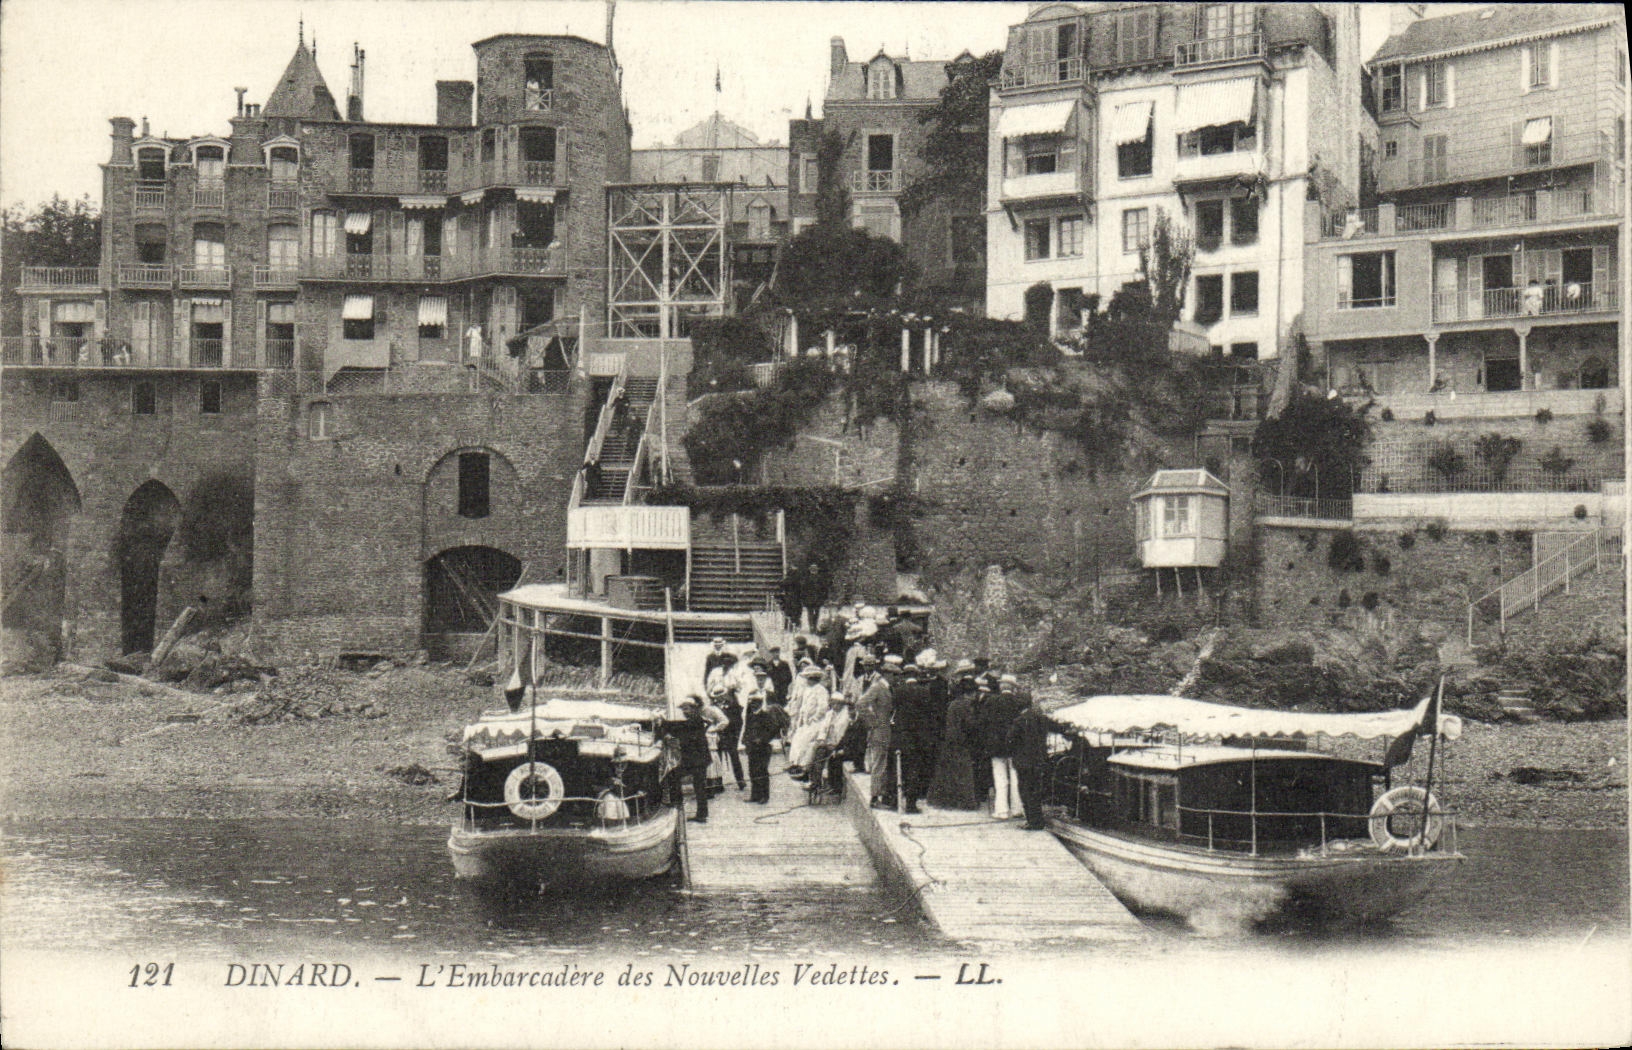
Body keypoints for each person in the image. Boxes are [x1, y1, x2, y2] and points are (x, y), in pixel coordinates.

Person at [927, 659, 981, 810]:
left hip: (950, 740)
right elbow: (970, 725)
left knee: (948, 771)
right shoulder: (966, 705)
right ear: (969, 693)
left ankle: (945, 800)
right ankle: (966, 802)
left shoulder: (952, 704)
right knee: (964, 772)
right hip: (961, 742)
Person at [890, 653, 939, 814]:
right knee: (914, 768)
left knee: (898, 766)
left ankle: (894, 800)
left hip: (901, 734)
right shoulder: (925, 692)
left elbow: (893, 711)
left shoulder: (898, 691)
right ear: (917, 676)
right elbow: (930, 714)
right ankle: (911, 803)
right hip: (918, 736)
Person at [664, 697, 726, 823]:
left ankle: (677, 804)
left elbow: (682, 728)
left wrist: (664, 724)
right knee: (699, 787)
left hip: (696, 760)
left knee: (673, 776)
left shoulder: (695, 720)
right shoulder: (695, 720)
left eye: (686, 709)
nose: (684, 712)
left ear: (693, 708)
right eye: (683, 710)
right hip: (697, 759)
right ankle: (700, 814)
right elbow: (682, 728)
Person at [977, 674, 1028, 820]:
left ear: (1001, 687)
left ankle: (1001, 810)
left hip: (996, 746)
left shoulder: (991, 701)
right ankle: (1017, 809)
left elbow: (983, 722)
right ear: (1013, 688)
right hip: (1015, 745)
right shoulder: (1018, 702)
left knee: (1000, 779)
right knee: (1015, 777)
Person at [1008, 696, 1053, 830]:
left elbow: (1010, 739)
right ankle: (1038, 820)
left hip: (1023, 763)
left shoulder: (1019, 721)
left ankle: (1032, 822)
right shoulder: (1042, 719)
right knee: (1036, 791)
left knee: (1026, 792)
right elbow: (1058, 727)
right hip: (1039, 761)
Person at [864, 654, 900, 806]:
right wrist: (873, 722)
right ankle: (874, 797)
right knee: (879, 765)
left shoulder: (887, 688)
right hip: (879, 731)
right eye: (894, 676)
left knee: (883, 765)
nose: (896, 679)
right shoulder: (877, 687)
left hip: (886, 732)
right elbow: (861, 704)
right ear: (888, 674)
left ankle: (881, 795)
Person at [741, 691, 789, 804]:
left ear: (760, 703)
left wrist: (762, 739)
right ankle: (755, 795)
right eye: (751, 703)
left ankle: (764, 796)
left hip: (762, 748)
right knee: (752, 771)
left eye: (755, 703)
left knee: (762, 771)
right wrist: (745, 740)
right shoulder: (750, 716)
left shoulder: (766, 716)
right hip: (752, 747)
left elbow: (774, 729)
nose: (752, 705)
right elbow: (746, 730)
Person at [785, 662, 829, 780]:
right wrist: (801, 719)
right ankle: (796, 764)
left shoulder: (821, 690)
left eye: (809, 678)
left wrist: (814, 717)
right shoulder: (807, 690)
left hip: (816, 722)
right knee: (797, 739)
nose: (807, 681)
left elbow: (823, 707)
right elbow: (803, 706)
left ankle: (804, 767)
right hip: (805, 721)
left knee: (806, 741)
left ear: (814, 678)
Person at [709, 680, 746, 792]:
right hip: (718, 737)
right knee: (717, 759)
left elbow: (738, 721)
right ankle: (718, 784)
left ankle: (740, 780)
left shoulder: (733, 705)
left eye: (721, 695)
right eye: (717, 696)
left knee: (734, 757)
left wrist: (734, 734)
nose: (719, 698)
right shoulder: (713, 708)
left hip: (730, 735)